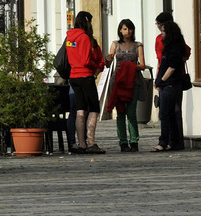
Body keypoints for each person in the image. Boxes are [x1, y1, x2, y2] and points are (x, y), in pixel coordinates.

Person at [63, 10, 106, 154]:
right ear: (86, 21)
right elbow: (86, 60)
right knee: (94, 109)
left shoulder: (69, 37)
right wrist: (97, 66)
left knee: (80, 110)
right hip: (85, 76)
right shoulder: (85, 38)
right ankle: (91, 142)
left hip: (73, 76)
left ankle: (81, 143)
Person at [105, 19, 145, 152]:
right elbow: (108, 62)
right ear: (120, 31)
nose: (127, 32)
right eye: (124, 29)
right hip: (118, 82)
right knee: (120, 112)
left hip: (134, 81)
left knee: (131, 112)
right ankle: (123, 142)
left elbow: (142, 65)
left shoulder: (138, 45)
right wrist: (108, 59)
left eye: (129, 29)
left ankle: (134, 141)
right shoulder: (115, 44)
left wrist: (131, 67)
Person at [153, 12, 190, 152]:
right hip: (172, 82)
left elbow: (171, 65)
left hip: (170, 83)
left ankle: (165, 142)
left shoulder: (174, 47)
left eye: (162, 29)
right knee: (174, 113)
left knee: (166, 113)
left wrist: (161, 80)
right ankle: (175, 142)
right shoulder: (174, 44)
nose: (160, 32)